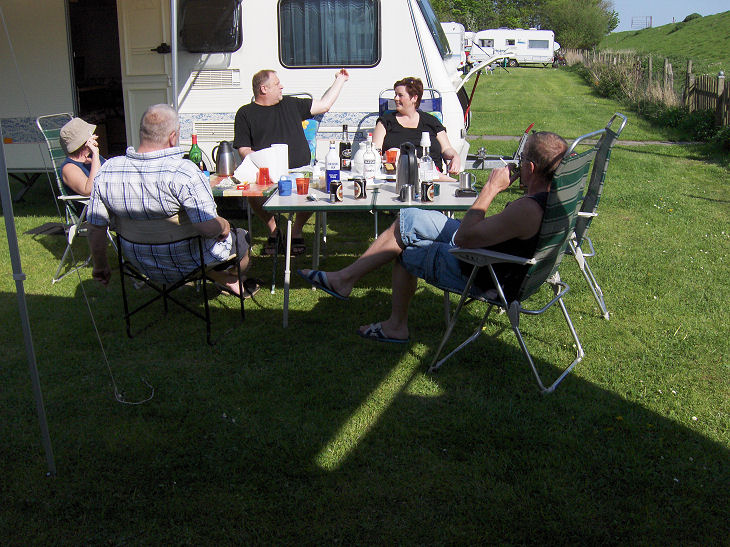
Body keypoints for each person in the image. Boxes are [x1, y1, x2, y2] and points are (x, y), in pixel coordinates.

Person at [297, 132, 568, 343]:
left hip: (482, 270)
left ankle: (394, 325)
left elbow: (464, 238)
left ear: (530, 167)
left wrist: (490, 188)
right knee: (410, 217)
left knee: (405, 249)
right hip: (495, 253)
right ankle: (345, 279)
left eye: (521, 160)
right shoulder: (557, 199)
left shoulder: (528, 210)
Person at [87, 104, 259, 298]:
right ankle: (229, 278)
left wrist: (100, 266)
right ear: (172, 137)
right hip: (189, 263)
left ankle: (224, 279)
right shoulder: (184, 172)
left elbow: (95, 228)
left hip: (139, 263)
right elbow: (208, 228)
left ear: (142, 132)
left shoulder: (108, 170)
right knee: (241, 237)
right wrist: (225, 225)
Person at [233, 68, 349, 255]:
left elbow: (324, 105)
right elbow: (244, 149)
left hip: (300, 170)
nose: (282, 86)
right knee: (253, 193)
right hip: (266, 174)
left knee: (312, 191)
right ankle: (274, 230)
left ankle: (296, 230)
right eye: (277, 84)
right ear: (264, 89)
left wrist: (340, 80)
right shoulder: (245, 113)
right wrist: (263, 165)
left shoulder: (290, 104)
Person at [372, 76, 461, 178]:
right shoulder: (386, 121)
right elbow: (375, 152)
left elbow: (446, 148)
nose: (395, 98)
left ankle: (447, 180)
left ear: (414, 98)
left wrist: (455, 156)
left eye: (400, 95)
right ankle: (451, 181)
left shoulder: (431, 121)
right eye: (395, 94)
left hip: (431, 177)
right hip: (398, 175)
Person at [58, 117, 105, 215]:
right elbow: (89, 190)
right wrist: (95, 154)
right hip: (95, 214)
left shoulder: (92, 158)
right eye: (90, 134)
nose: (94, 135)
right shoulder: (69, 168)